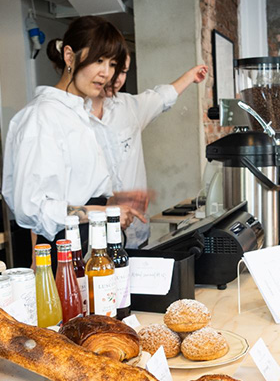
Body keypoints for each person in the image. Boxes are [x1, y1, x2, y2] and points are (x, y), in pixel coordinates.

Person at [3, 16, 146, 259]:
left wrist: (113, 203)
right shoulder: (42, 116)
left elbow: (82, 187)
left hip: (94, 244)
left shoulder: (80, 113)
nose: (106, 73)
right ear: (70, 56)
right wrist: (101, 212)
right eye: (99, 60)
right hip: (68, 250)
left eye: (112, 64)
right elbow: (33, 208)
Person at [88, 55, 208, 248]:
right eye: (112, 67)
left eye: (124, 71)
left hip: (137, 231)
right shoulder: (74, 118)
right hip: (95, 239)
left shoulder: (128, 107)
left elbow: (161, 97)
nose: (117, 78)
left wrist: (190, 77)